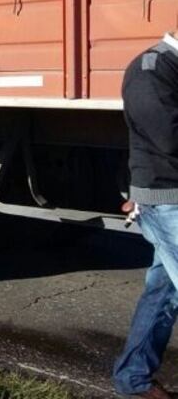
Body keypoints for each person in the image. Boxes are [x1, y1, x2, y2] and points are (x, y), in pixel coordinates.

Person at [113, 31, 178, 399]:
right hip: (167, 199)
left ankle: (133, 379)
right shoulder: (150, 70)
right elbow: (168, 138)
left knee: (164, 293)